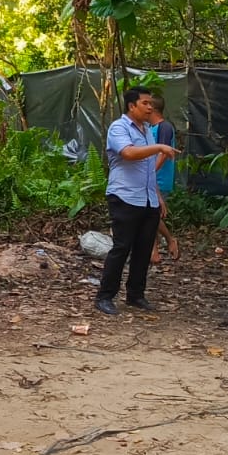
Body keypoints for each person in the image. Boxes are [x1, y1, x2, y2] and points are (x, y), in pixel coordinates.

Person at [95, 86, 177, 316]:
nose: (150, 107)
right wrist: (159, 147)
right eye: (145, 103)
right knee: (122, 247)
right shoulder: (119, 127)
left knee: (144, 248)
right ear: (132, 106)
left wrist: (157, 196)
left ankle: (135, 295)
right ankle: (105, 296)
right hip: (125, 197)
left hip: (147, 199)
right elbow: (129, 153)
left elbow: (148, 168)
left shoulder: (147, 130)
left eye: (151, 103)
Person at [147, 92, 180, 264]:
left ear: (153, 108)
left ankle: (169, 239)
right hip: (149, 178)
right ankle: (154, 251)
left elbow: (164, 152)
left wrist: (151, 171)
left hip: (160, 178)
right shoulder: (148, 128)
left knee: (152, 214)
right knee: (148, 213)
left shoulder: (165, 127)